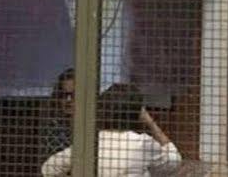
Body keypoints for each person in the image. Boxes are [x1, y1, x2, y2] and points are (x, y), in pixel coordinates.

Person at [42, 82, 180, 177]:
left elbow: (48, 169)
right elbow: (174, 161)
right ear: (136, 113)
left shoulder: (90, 144)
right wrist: (150, 122)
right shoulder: (143, 143)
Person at [40, 67, 75, 162]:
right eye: (64, 95)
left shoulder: (95, 128)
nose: (68, 101)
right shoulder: (55, 130)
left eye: (74, 95)